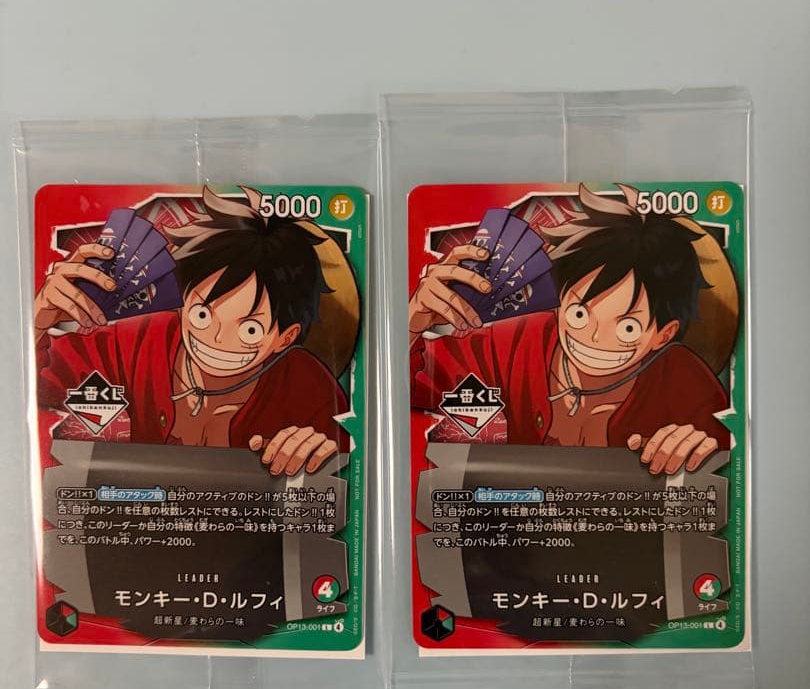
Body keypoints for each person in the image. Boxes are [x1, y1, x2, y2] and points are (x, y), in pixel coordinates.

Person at [409, 183, 731, 476]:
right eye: (579, 314)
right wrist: (411, 325)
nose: (593, 337)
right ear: (559, 301)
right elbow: (415, 385)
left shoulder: (686, 385)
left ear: (663, 334)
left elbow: (726, 465)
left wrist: (700, 450)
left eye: (628, 328)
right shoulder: (514, 342)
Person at [36, 186, 348, 476]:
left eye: (250, 330)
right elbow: (38, 384)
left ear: (285, 337)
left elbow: (347, 470)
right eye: (202, 314)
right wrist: (38, 321)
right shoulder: (135, 341)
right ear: (182, 301)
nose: (216, 338)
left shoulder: (310, 390)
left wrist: (321, 454)